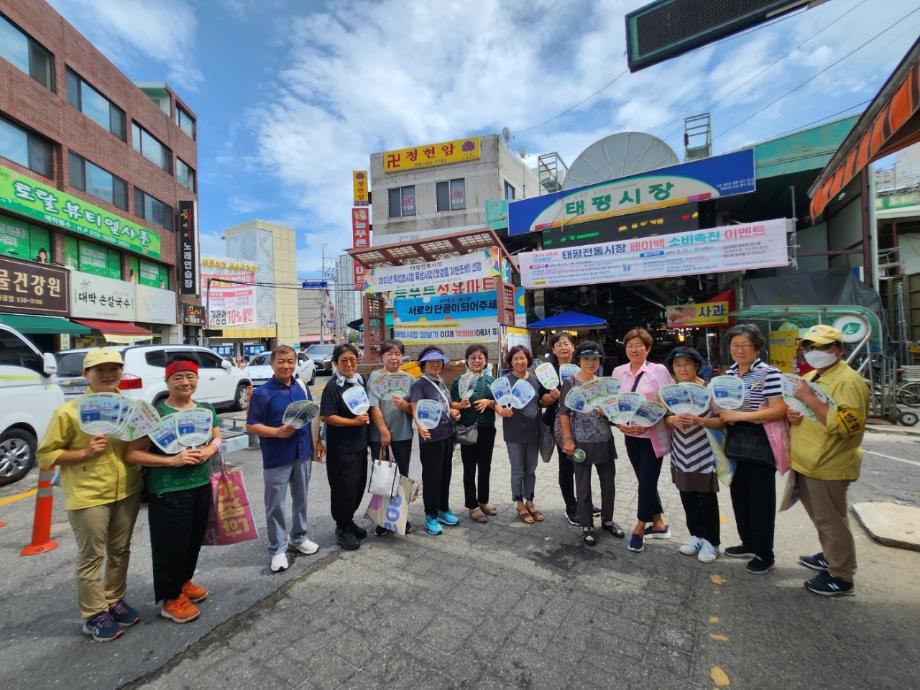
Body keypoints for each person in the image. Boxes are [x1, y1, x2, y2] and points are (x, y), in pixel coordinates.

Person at [36, 348, 144, 642]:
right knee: (92, 556)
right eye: (100, 370)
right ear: (87, 375)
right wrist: (85, 451)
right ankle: (93, 613)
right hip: (88, 493)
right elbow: (45, 455)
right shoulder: (68, 412)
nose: (108, 375)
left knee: (121, 550)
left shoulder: (132, 407)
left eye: (114, 369)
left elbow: (141, 443)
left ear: (122, 372)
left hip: (128, 488)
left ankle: (114, 599)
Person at [125, 356, 221, 623]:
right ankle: (170, 599)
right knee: (170, 546)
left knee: (192, 540)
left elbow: (217, 435)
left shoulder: (205, 409)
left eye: (190, 376)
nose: (185, 382)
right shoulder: (156, 415)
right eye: (177, 377)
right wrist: (172, 460)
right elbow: (132, 454)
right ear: (167, 381)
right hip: (168, 489)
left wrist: (211, 449)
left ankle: (184, 582)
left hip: (201, 484)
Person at [786, 324, 868, 596]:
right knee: (823, 517)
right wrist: (793, 413)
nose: (815, 352)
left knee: (831, 520)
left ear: (840, 350)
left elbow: (846, 426)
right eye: (810, 347)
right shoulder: (813, 376)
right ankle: (831, 555)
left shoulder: (849, 381)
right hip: (808, 460)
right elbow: (802, 409)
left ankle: (842, 575)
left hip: (829, 462)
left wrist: (808, 398)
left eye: (824, 347)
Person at [246, 345, 322, 572]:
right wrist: (276, 432)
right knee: (275, 505)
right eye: (281, 361)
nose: (286, 365)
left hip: (302, 452)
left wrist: (317, 442)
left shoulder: (301, 387)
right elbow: (251, 425)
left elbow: (310, 415)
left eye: (291, 361)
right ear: (272, 364)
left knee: (301, 499)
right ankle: (277, 549)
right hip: (276, 456)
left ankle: (298, 537)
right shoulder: (262, 393)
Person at [719, 324, 787, 575]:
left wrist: (741, 415)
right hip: (736, 440)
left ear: (757, 348)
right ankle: (748, 542)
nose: (739, 350)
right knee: (740, 496)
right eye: (734, 345)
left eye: (745, 345)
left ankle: (764, 553)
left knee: (761, 500)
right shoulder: (731, 374)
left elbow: (778, 409)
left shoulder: (769, 374)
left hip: (760, 441)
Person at [613, 327, 673, 554]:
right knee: (643, 479)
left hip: (652, 436)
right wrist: (617, 422)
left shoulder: (658, 371)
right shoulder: (619, 371)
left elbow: (668, 402)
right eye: (630, 345)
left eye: (639, 346)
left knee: (647, 481)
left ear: (648, 349)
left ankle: (639, 527)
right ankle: (658, 523)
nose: (634, 349)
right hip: (630, 436)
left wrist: (648, 422)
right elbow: (616, 402)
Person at [558, 341, 622, 545]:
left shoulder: (604, 384)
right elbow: (564, 414)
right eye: (586, 358)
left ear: (600, 361)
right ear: (579, 360)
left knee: (608, 483)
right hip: (580, 442)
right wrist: (568, 439)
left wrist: (609, 412)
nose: (591, 362)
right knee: (583, 485)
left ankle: (608, 519)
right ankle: (586, 524)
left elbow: (614, 412)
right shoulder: (570, 383)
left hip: (604, 439)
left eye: (595, 359)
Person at [663, 346, 723, 563]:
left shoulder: (709, 389)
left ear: (697, 366)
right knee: (686, 494)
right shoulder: (670, 392)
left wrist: (701, 421)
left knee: (706, 497)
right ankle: (696, 535)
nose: (682, 368)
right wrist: (672, 420)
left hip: (704, 451)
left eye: (687, 364)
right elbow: (664, 418)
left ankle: (712, 541)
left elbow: (721, 419)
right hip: (681, 451)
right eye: (678, 365)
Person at [319, 343, 369, 550]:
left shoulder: (359, 381)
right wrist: (353, 422)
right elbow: (326, 416)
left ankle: (349, 521)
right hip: (341, 449)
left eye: (353, 360)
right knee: (343, 489)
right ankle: (342, 527)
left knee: (357, 487)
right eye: (344, 360)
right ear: (336, 363)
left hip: (359, 445)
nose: (349, 364)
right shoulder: (333, 386)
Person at [409, 345, 461, 535]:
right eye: (430, 361)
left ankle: (442, 509)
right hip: (430, 438)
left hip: (447, 435)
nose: (435, 364)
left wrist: (453, 411)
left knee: (445, 475)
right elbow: (414, 408)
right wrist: (420, 425)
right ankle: (430, 516)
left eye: (438, 361)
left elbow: (443, 405)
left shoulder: (440, 381)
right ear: (423, 364)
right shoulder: (420, 384)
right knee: (432, 478)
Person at [367, 339, 415, 536]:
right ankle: (382, 519)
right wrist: (383, 431)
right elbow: (373, 406)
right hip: (380, 436)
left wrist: (406, 407)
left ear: (402, 356)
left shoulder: (410, 379)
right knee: (383, 477)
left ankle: (401, 516)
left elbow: (416, 408)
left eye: (397, 353)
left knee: (401, 476)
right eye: (389, 354)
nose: (394, 357)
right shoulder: (375, 377)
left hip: (403, 434)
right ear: (382, 357)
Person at [495, 345, 545, 524]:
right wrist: (501, 411)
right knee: (518, 470)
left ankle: (530, 501)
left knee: (531, 470)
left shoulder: (535, 379)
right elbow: (497, 402)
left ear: (528, 360)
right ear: (510, 361)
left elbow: (541, 401)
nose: (520, 361)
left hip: (533, 431)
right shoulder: (505, 380)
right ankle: (519, 503)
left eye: (523, 358)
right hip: (514, 432)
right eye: (516, 358)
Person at [450, 344, 498, 524]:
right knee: (469, 469)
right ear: (467, 361)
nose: (477, 360)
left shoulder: (491, 382)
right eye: (473, 357)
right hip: (467, 429)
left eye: (480, 357)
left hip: (487, 429)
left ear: (486, 361)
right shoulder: (459, 381)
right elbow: (452, 403)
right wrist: (458, 407)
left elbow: (501, 403)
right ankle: (472, 505)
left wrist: (489, 402)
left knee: (485, 467)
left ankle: (483, 501)